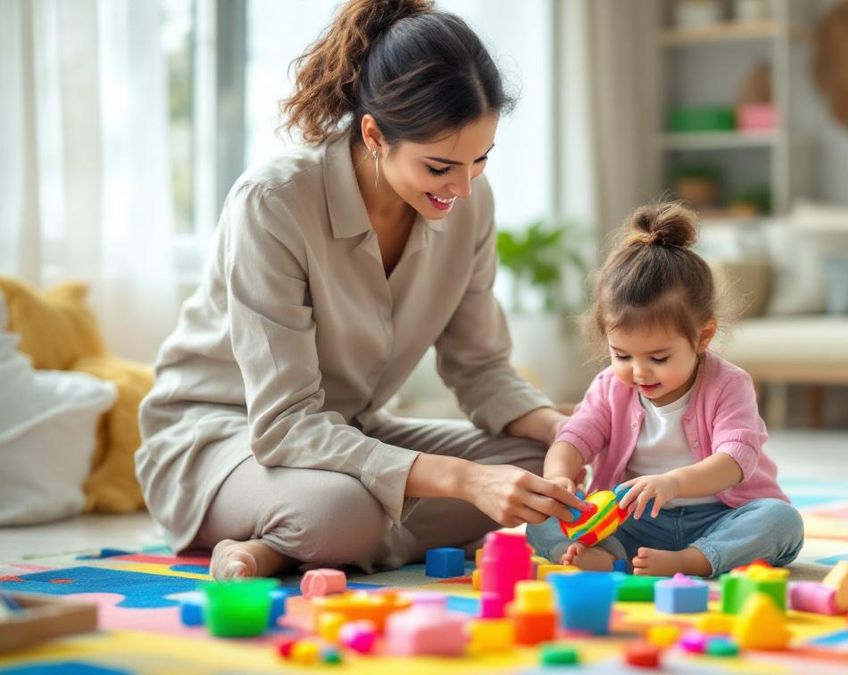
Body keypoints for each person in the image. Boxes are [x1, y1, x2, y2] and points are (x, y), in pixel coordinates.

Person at [135, 0, 584, 581]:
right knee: (341, 510)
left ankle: (285, 548)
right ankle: (328, 533)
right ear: (374, 134)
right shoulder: (273, 203)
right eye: (440, 166)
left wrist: (566, 431)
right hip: (226, 437)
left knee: (531, 469)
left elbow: (480, 368)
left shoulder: (469, 205)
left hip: (342, 434)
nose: (463, 189)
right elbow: (286, 424)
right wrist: (461, 480)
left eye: (480, 161)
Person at [526, 202, 804, 577]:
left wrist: (672, 483)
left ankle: (694, 559)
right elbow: (573, 437)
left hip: (720, 519)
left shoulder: (729, 384)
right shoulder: (610, 387)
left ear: (702, 336)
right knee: (539, 519)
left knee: (782, 521)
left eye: (658, 358)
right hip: (631, 523)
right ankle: (613, 559)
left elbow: (737, 459)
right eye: (622, 355)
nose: (639, 371)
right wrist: (559, 476)